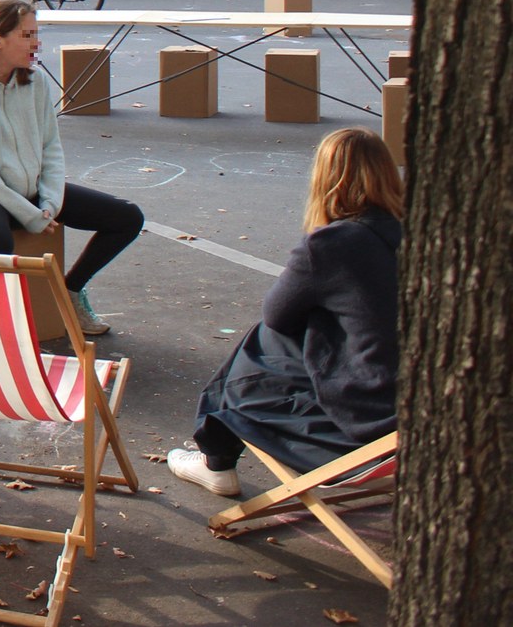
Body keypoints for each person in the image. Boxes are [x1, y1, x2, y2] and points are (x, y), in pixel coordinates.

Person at [167, 129, 403, 497]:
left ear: (325, 179)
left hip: (372, 418)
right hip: (431, 407)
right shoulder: (423, 232)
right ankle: (216, 451)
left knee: (264, 337)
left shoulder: (333, 244)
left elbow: (278, 315)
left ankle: (217, 458)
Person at [0, 0, 143, 336]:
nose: (37, 42)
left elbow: (51, 147)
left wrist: (50, 202)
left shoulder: (35, 81)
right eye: (27, 34)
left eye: (36, 33)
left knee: (127, 217)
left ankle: (72, 291)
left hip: (27, 186)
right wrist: (28, 213)